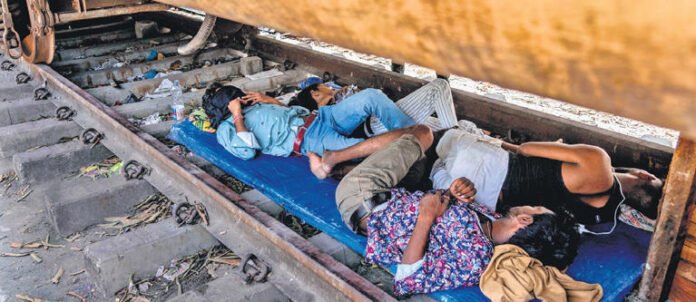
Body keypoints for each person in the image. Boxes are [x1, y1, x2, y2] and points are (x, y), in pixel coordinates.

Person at [335, 132, 580, 295]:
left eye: (535, 208)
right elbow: (444, 212)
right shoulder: (490, 221)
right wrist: (453, 192)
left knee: (420, 135)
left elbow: (407, 279)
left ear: (525, 220)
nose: (531, 205)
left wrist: (426, 216)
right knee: (422, 156)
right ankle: (348, 166)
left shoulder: (475, 261)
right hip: (396, 195)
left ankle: (333, 161)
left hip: (362, 199)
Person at [213, 79, 460, 179]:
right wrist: (236, 115)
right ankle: (421, 146)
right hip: (312, 140)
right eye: (237, 100)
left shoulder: (252, 106)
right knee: (369, 150)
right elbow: (247, 150)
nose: (242, 100)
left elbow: (288, 114)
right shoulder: (228, 128)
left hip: (321, 116)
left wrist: (270, 101)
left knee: (371, 97)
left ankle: (416, 138)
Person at [428, 128, 664, 225]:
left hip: (489, 167)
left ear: (643, 174)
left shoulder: (599, 161)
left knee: (440, 137)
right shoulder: (602, 217)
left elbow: (526, 149)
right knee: (431, 170)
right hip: (486, 200)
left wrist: (555, 147)